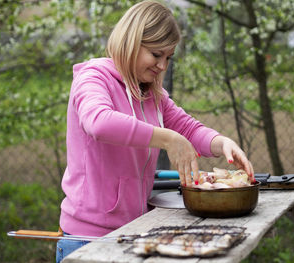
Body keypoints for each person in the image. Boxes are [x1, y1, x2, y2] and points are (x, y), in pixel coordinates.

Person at [56, 0, 254, 262]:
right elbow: (99, 122)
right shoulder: (93, 78)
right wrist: (168, 139)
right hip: (87, 238)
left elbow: (187, 126)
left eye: (168, 57)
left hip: (134, 231)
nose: (163, 65)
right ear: (131, 41)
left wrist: (222, 143)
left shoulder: (150, 93)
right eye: (156, 54)